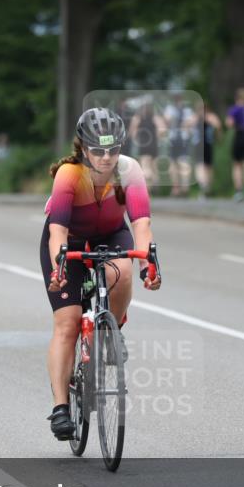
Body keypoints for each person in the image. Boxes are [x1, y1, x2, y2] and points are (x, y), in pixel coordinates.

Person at [41, 108, 160, 439]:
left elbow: (141, 225)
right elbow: (57, 233)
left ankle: (113, 329)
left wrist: (147, 264)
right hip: (70, 240)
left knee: (122, 269)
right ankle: (60, 408)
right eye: (98, 150)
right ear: (83, 148)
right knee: (67, 323)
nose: (106, 157)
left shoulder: (129, 171)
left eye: (113, 149)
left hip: (110, 234)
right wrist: (59, 268)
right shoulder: (68, 174)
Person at [164, 94, 195, 196]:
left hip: (179, 139)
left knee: (179, 163)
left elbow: (167, 122)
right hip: (177, 139)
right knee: (177, 164)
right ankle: (179, 187)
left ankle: (181, 187)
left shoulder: (182, 111)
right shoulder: (186, 111)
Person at [128, 102, 162, 187]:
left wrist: (135, 140)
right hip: (154, 144)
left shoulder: (137, 118)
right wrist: (158, 138)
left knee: (145, 166)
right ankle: (153, 182)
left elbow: (133, 132)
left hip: (143, 144)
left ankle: (149, 178)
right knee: (153, 165)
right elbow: (162, 130)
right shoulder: (155, 117)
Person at [194, 103, 222, 200]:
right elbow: (218, 126)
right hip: (203, 144)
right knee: (203, 166)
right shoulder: (202, 117)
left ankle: (205, 186)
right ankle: (205, 186)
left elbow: (217, 126)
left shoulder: (206, 117)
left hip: (204, 144)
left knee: (204, 166)